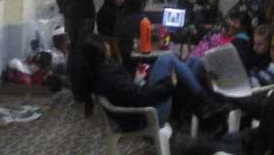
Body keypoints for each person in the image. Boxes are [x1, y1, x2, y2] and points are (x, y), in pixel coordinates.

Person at [183, 25, 274, 155]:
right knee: (212, 141)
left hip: (259, 148)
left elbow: (273, 141)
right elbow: (265, 110)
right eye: (273, 48)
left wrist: (246, 138)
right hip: (259, 138)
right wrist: (229, 94)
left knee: (195, 149)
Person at [80, 34, 224, 130]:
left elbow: (130, 91)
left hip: (141, 107)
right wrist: (169, 84)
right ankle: (203, 102)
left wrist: (142, 78)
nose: (108, 45)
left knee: (193, 61)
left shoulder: (101, 69)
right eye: (105, 44)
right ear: (102, 51)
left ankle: (200, 104)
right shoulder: (108, 76)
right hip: (146, 117)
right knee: (168, 58)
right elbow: (141, 98)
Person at [55, 0, 101, 99]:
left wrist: (63, 8)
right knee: (83, 49)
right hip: (86, 14)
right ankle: (82, 87)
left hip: (69, 14)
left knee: (72, 48)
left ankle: (72, 83)